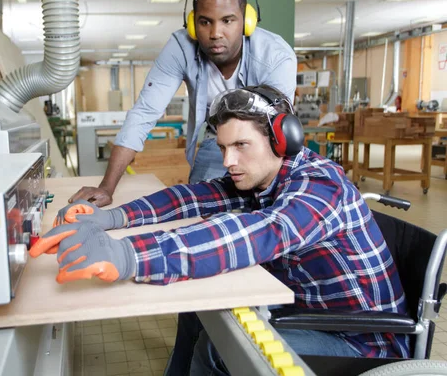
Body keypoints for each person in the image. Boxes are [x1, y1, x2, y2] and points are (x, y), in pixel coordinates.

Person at [31, 85, 410, 374]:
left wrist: (127, 254)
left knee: (218, 346)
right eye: (224, 147)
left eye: (241, 145)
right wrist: (110, 218)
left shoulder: (320, 186)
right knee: (195, 309)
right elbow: (188, 198)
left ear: (283, 139)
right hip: (307, 312)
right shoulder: (261, 176)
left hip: (360, 342)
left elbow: (260, 232)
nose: (229, 161)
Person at [69, 0, 297, 207]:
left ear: (247, 21)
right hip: (217, 137)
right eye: (205, 22)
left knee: (268, 206)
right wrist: (107, 187)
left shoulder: (275, 56)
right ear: (192, 24)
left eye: (228, 21)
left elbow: (275, 128)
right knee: (196, 207)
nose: (216, 33)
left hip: (264, 142)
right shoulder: (181, 47)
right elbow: (144, 112)